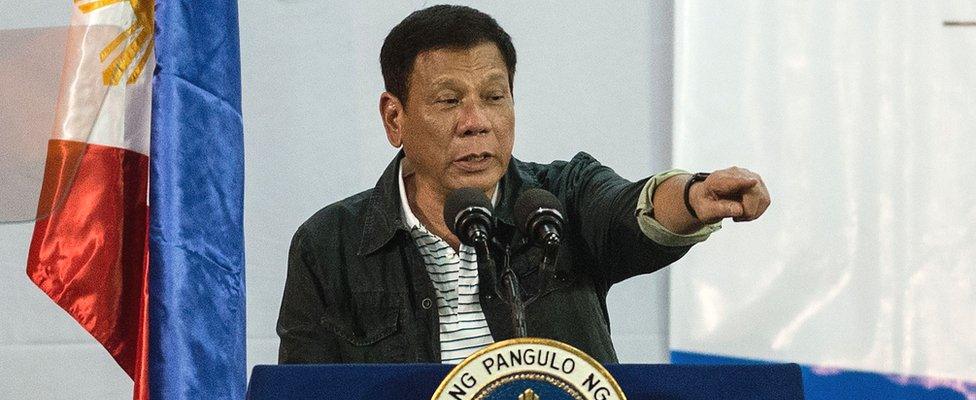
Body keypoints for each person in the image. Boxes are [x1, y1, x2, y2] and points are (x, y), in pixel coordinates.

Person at [276, 5, 769, 365]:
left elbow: (628, 211)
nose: (476, 122)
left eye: (494, 96)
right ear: (394, 117)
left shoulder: (558, 201)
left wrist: (694, 196)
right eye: (448, 101)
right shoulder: (330, 246)